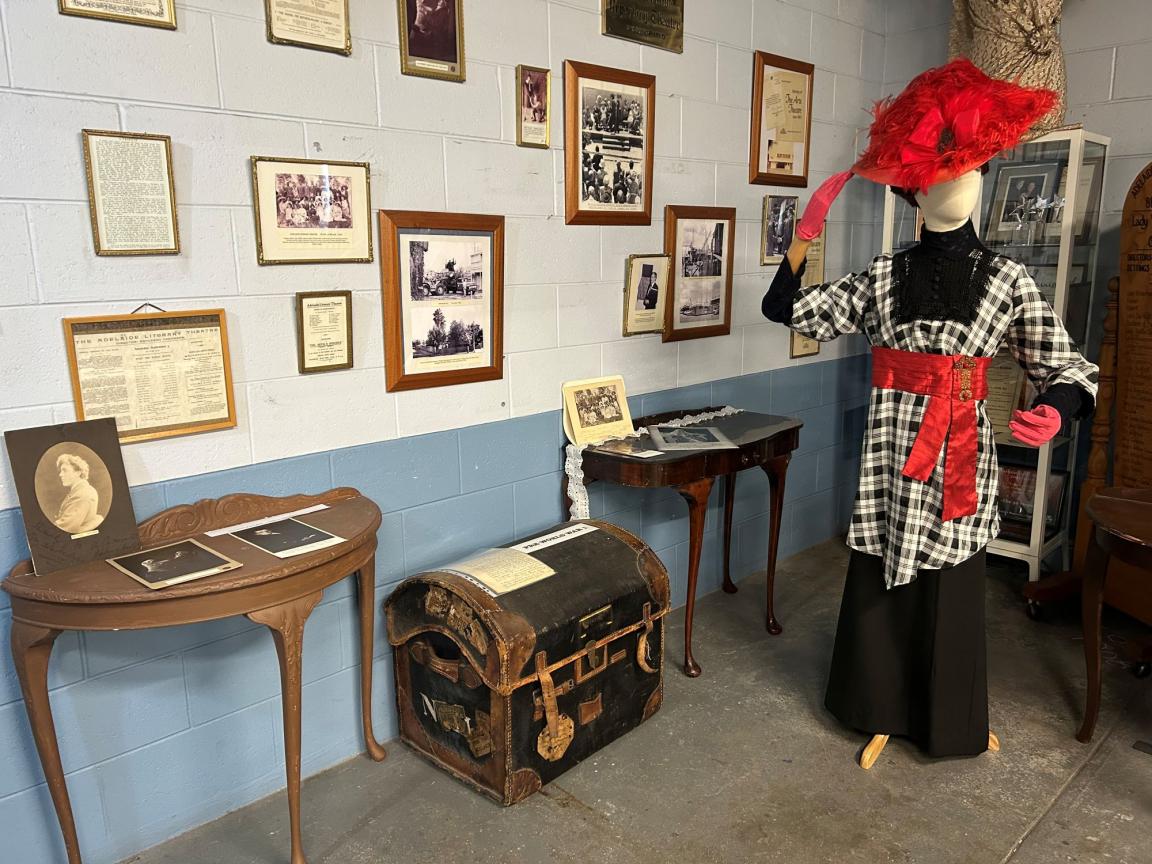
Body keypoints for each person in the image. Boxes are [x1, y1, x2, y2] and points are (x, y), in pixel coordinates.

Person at [761, 59, 1097, 765]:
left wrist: (1057, 408)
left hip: (959, 456)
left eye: (971, 170)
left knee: (950, 582)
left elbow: (1062, 364)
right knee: (880, 565)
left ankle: (947, 718)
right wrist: (801, 244)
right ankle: (874, 705)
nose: (959, 183)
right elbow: (787, 309)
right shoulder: (884, 273)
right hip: (892, 447)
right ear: (916, 191)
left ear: (981, 180)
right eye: (943, 174)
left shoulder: (1007, 279)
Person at [53, 453, 103, 534]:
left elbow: (64, 528)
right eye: (61, 471)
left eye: (65, 470)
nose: (60, 474)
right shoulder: (82, 490)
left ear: (78, 472)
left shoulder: (81, 494)